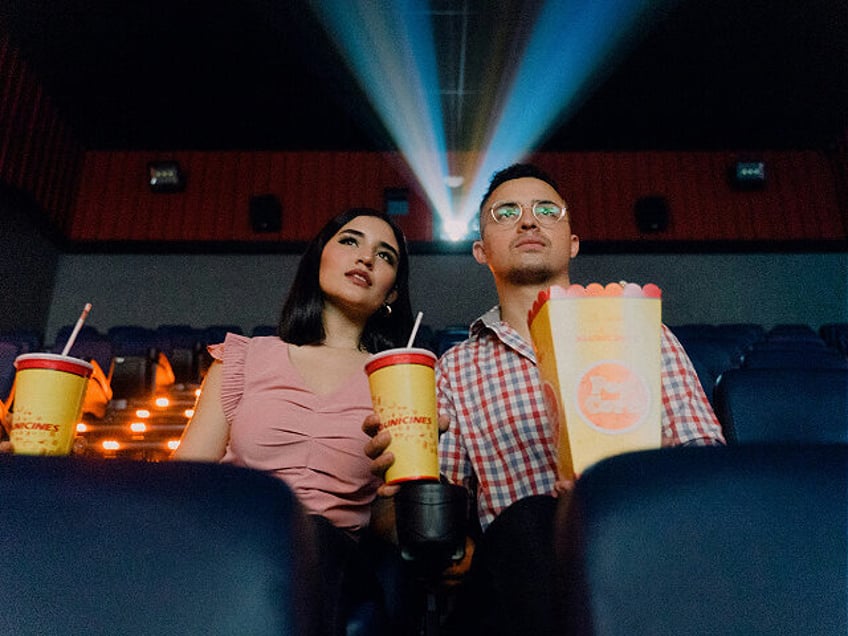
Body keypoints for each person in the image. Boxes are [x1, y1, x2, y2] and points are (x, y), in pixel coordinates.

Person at [364, 163, 725, 635]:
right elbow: (439, 510)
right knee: (532, 519)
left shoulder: (644, 333)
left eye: (546, 210)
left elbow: (707, 465)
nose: (529, 221)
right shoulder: (453, 370)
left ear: (572, 239)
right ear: (481, 250)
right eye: (506, 212)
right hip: (522, 574)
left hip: (645, 549)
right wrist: (400, 491)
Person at [174, 207, 417, 636]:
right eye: (350, 241)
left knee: (315, 535)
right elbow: (185, 482)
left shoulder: (397, 382)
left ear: (391, 294)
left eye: (385, 256)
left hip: (337, 561)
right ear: (319, 257)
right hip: (238, 545)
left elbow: (388, 525)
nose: (365, 258)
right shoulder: (244, 358)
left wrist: (405, 485)